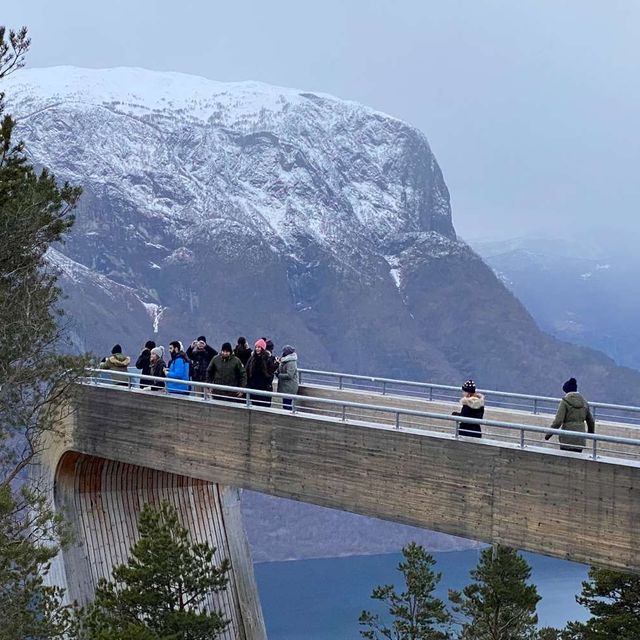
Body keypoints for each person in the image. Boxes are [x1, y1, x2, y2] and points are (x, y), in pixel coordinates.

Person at [545, 377, 595, 452]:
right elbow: (591, 421)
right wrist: (590, 434)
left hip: (567, 438)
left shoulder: (565, 402)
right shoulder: (584, 402)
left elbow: (558, 421)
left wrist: (548, 434)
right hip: (580, 438)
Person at [245, 339, 272, 407]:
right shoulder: (252, 359)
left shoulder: (267, 359)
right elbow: (247, 370)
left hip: (264, 388)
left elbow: (270, 373)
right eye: (256, 347)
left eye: (259, 347)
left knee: (263, 407)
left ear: (263, 348)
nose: (257, 349)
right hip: (253, 387)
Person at [276, 345, 299, 410]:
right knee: (286, 404)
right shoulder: (285, 361)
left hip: (289, 388)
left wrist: (279, 375)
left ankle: (291, 417)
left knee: (287, 405)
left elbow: (290, 375)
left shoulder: (291, 362)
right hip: (286, 387)